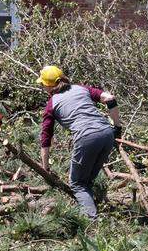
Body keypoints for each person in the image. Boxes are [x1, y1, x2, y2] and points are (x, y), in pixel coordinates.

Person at [37, 65, 122, 220]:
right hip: (107, 134)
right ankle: (92, 208)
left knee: (77, 183)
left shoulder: (52, 104)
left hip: (86, 138)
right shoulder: (81, 88)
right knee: (87, 180)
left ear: (49, 86)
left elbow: (45, 137)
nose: (42, 87)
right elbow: (109, 98)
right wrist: (117, 127)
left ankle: (90, 222)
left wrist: (45, 167)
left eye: (42, 85)